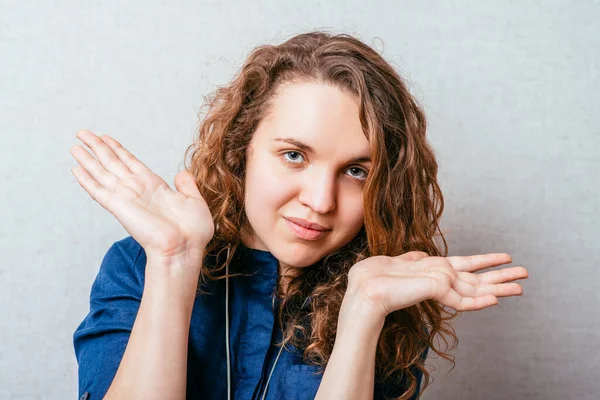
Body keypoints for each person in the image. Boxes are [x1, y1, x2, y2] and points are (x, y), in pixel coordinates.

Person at [70, 31, 528, 400]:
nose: (321, 200)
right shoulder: (137, 267)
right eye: (293, 155)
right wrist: (173, 263)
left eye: (355, 170)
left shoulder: (389, 291)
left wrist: (362, 313)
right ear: (240, 148)